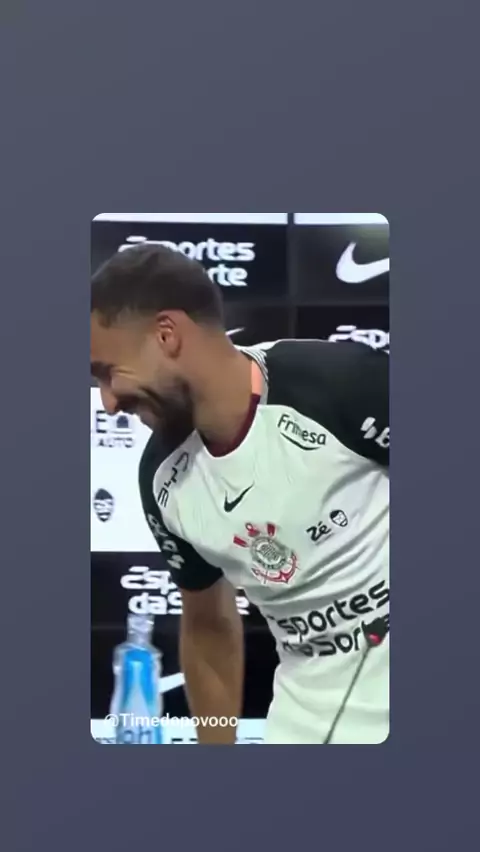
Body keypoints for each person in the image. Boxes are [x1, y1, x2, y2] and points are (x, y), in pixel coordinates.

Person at [91, 243, 389, 744]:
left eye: (107, 371)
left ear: (166, 334)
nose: (108, 402)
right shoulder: (161, 478)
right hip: (302, 729)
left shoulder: (340, 384)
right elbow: (207, 628)